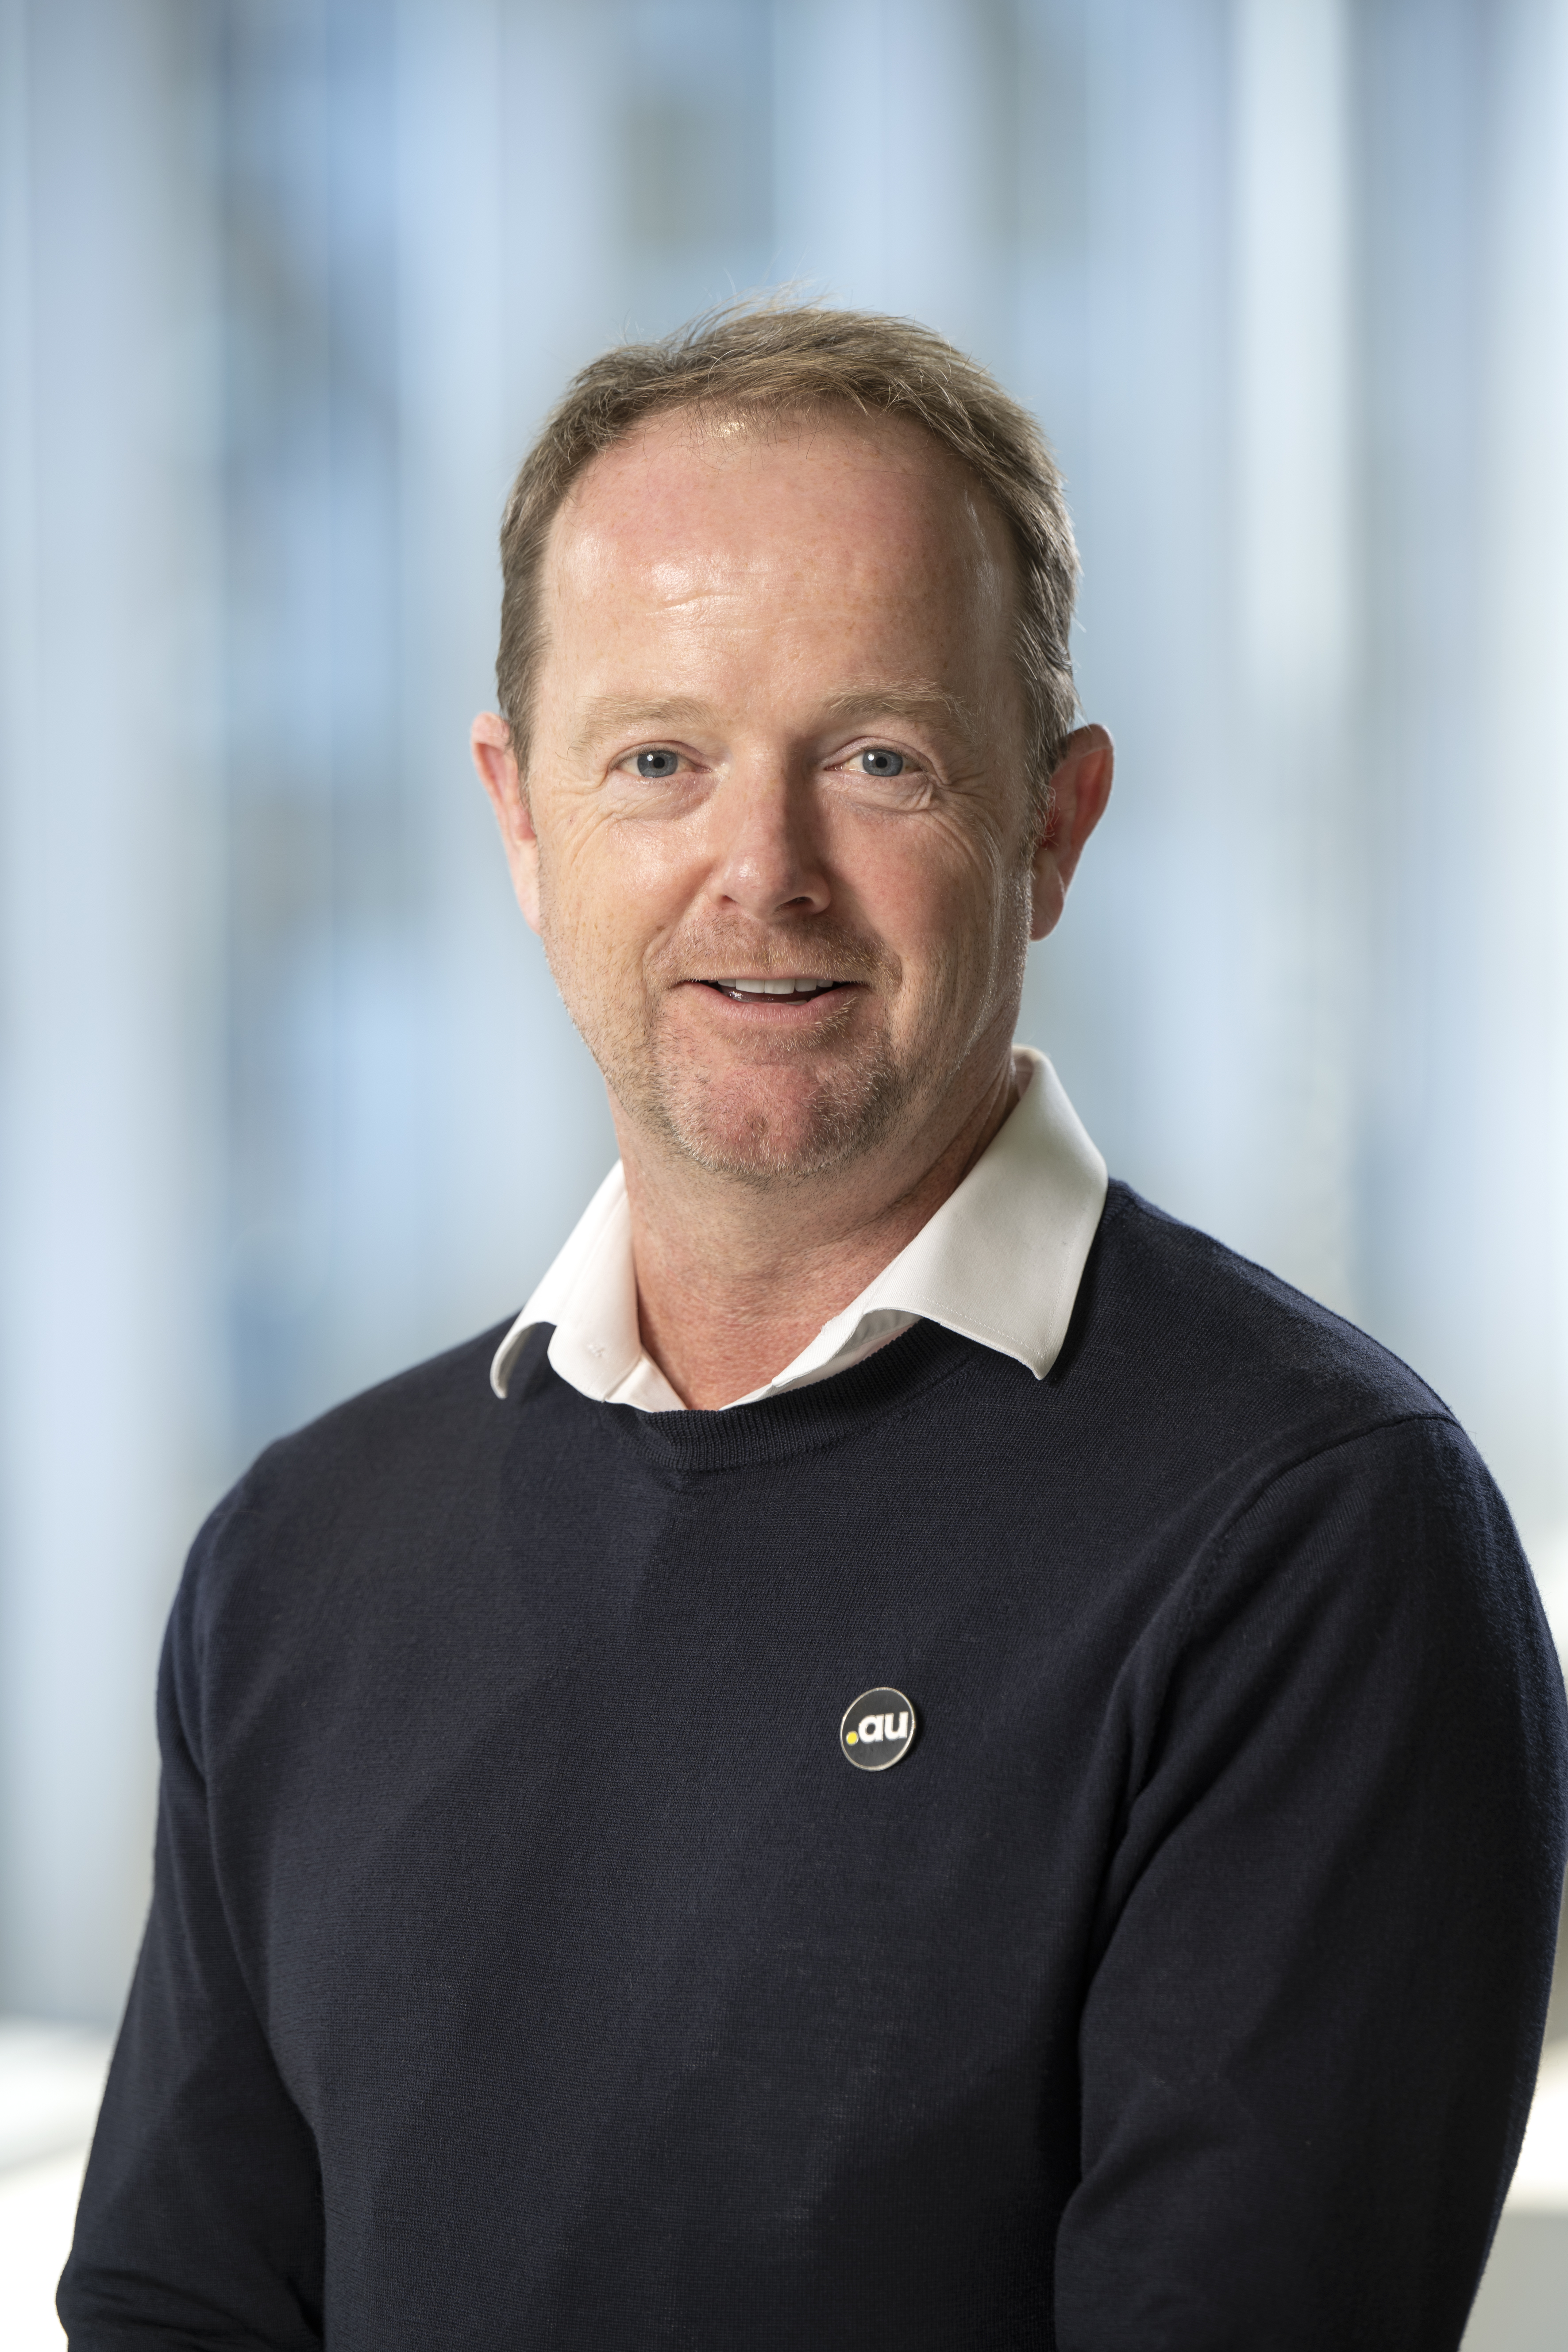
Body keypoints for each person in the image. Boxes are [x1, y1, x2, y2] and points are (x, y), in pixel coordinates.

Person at [62, 302, 1566, 2350]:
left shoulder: (1312, 1541)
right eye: (658, 759)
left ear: (1052, 823)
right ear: (520, 815)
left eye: (877, 760)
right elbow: (179, 2312)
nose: (758, 873)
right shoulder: (301, 1555)